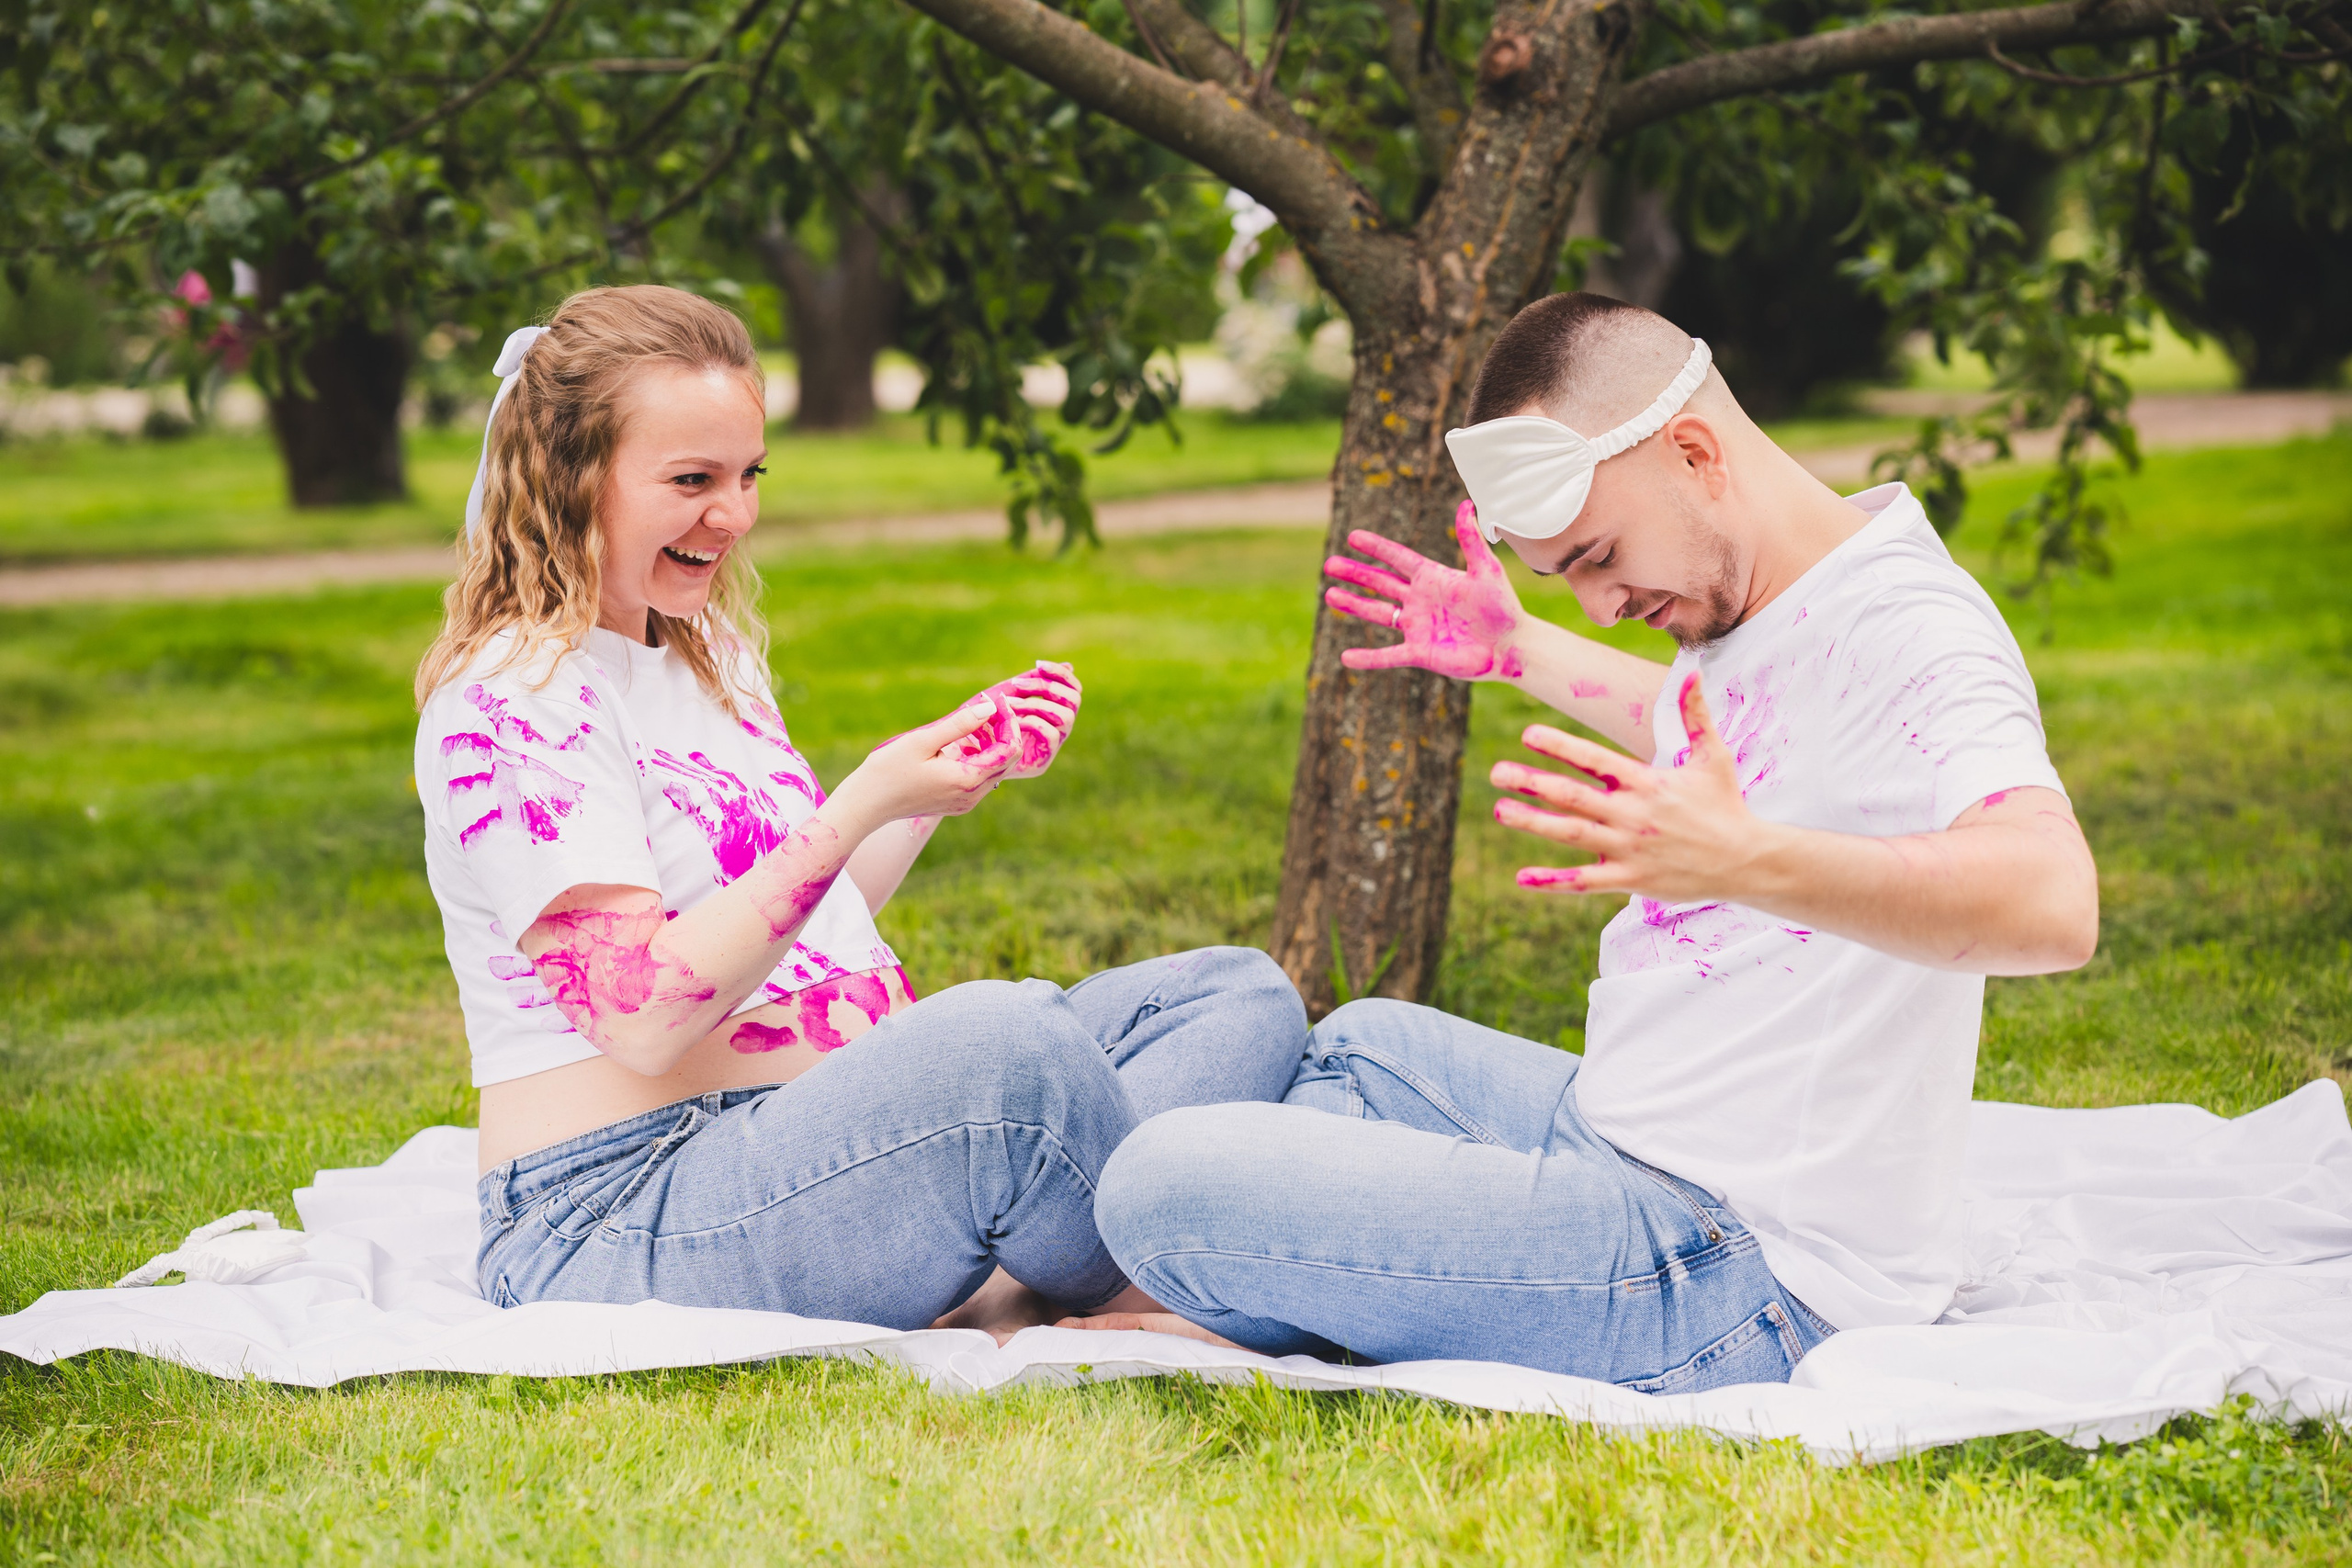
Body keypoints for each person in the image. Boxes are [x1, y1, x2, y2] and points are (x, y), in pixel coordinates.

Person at [1071, 292, 2099, 1392]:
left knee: (1162, 1185)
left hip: (1737, 1275)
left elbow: (2053, 902)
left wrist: (1746, 862)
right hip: (1618, 1135)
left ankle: (1277, 1300)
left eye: (1600, 555)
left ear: (1694, 452)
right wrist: (1518, 648)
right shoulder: (1773, 587)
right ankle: (1312, 1290)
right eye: (1569, 575)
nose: (1601, 605)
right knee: (1361, 1051)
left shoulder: (1912, 628)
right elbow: (1737, 727)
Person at [413, 285, 1303, 1337]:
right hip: (623, 1206)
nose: (733, 515)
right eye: (691, 480)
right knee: (1001, 1049)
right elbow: (644, 1018)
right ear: (566, 480)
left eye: (747, 476)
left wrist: (925, 796)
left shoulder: (708, 655)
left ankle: (1054, 1261)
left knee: (1229, 995)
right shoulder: (513, 708)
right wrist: (863, 795)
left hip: (811, 1134)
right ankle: (1195, 1276)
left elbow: (803, 926)